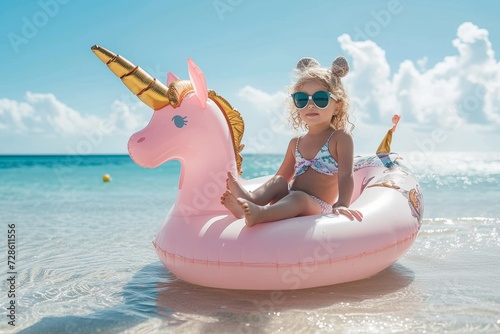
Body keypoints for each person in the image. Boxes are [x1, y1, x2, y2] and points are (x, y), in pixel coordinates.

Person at [220, 56, 363, 226]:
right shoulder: (296, 143)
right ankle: (250, 200)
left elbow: (346, 175)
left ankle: (260, 214)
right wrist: (275, 190)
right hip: (289, 201)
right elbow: (281, 178)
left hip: (317, 206)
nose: (310, 105)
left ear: (337, 106)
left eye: (320, 99)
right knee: (279, 181)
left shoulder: (340, 138)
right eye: (302, 99)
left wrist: (342, 204)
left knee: (299, 197)